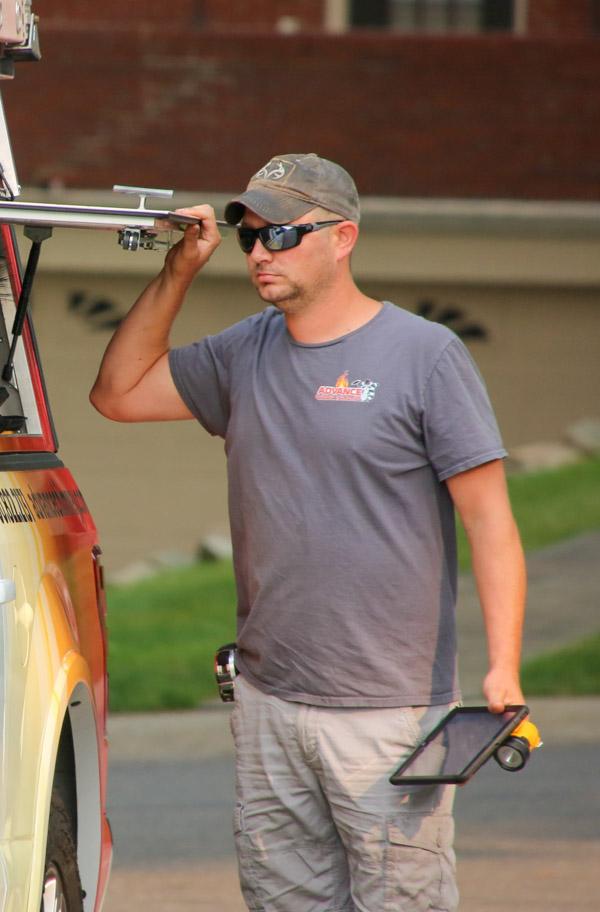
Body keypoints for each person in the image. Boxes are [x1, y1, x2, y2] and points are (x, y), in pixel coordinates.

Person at [90, 154, 526, 911]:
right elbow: (118, 394)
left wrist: (505, 669)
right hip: (268, 702)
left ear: (343, 237)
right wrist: (178, 273)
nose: (260, 252)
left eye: (283, 234)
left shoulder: (425, 355)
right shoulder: (244, 351)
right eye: (248, 235)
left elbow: (490, 521)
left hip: (388, 711)